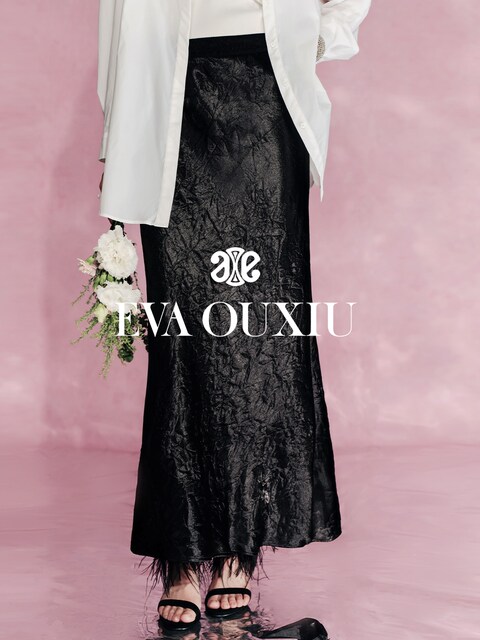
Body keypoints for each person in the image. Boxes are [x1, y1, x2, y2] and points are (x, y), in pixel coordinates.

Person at [97, 0, 371, 632]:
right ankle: (182, 556)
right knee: (183, 344)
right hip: (166, 105)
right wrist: (116, 145)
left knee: (259, 337)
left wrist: (318, 37)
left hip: (266, 98)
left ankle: (236, 552)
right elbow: (116, 17)